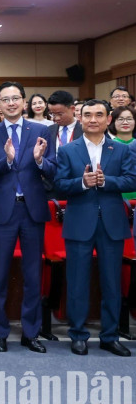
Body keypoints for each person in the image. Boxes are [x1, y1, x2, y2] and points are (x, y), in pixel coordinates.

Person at [55, 100, 136, 357]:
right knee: (77, 283)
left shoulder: (121, 149)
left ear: (108, 119)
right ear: (80, 119)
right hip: (80, 223)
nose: (93, 119)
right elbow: (59, 184)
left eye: (99, 115)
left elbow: (131, 180)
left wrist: (106, 181)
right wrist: (82, 182)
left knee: (111, 283)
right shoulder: (68, 150)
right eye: (87, 115)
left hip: (112, 224)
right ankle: (78, 335)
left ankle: (110, 337)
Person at [0, 81, 55, 354]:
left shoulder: (42, 131)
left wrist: (39, 160)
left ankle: (30, 333)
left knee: (33, 274)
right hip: (3, 211)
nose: (10, 103)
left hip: (32, 210)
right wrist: (7, 161)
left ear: (24, 102)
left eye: (15, 98)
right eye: (5, 99)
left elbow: (53, 170)